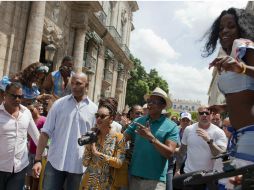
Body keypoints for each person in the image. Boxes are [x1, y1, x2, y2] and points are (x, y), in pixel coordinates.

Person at [203, 7, 254, 187]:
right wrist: (223, 108)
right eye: (221, 28)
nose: (224, 31)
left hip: (251, 135)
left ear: (242, 27)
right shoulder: (232, 56)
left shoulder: (246, 46)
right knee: (231, 184)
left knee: (235, 184)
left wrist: (241, 68)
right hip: (238, 136)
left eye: (231, 26)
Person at [32, 72, 97, 190]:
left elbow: (95, 139)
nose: (74, 86)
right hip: (55, 162)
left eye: (78, 84)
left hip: (79, 166)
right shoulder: (58, 104)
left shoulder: (94, 110)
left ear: (86, 85)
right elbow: (45, 132)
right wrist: (37, 160)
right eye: (72, 83)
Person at [124, 87, 179, 190]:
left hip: (156, 181)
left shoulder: (172, 126)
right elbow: (122, 139)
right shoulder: (138, 121)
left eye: (154, 102)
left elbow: (170, 153)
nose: (150, 104)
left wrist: (151, 138)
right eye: (149, 101)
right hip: (134, 177)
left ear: (163, 105)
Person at [174, 106, 227, 190]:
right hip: (189, 176)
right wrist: (177, 170)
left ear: (212, 115)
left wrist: (209, 141)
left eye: (207, 113)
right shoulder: (188, 129)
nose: (204, 115)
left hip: (209, 178)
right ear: (198, 116)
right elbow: (182, 152)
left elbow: (221, 154)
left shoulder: (219, 132)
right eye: (201, 113)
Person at [79, 98, 126, 190]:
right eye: (97, 116)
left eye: (102, 116)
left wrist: (97, 154)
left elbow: (119, 163)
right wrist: (89, 146)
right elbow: (85, 163)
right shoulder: (92, 135)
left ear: (111, 119)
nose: (98, 119)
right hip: (89, 183)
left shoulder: (119, 138)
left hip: (107, 185)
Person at [0, 82, 40, 190]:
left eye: (20, 96)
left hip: (20, 168)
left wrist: (39, 160)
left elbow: (37, 137)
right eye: (14, 96)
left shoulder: (26, 113)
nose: (17, 99)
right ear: (5, 95)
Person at [27, 104, 47, 190]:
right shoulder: (29, 120)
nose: (31, 112)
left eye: (32, 109)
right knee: (29, 174)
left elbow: (47, 136)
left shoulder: (43, 119)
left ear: (36, 108)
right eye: (30, 111)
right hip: (30, 151)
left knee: (36, 176)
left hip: (39, 153)